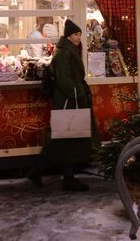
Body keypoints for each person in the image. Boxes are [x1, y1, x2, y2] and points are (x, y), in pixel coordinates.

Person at [29, 19, 98, 192]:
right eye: (75, 34)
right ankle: (40, 171)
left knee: (68, 139)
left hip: (70, 99)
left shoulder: (67, 50)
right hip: (68, 100)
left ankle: (66, 177)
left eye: (79, 34)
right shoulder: (64, 53)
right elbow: (64, 80)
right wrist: (79, 93)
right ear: (68, 36)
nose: (78, 37)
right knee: (62, 138)